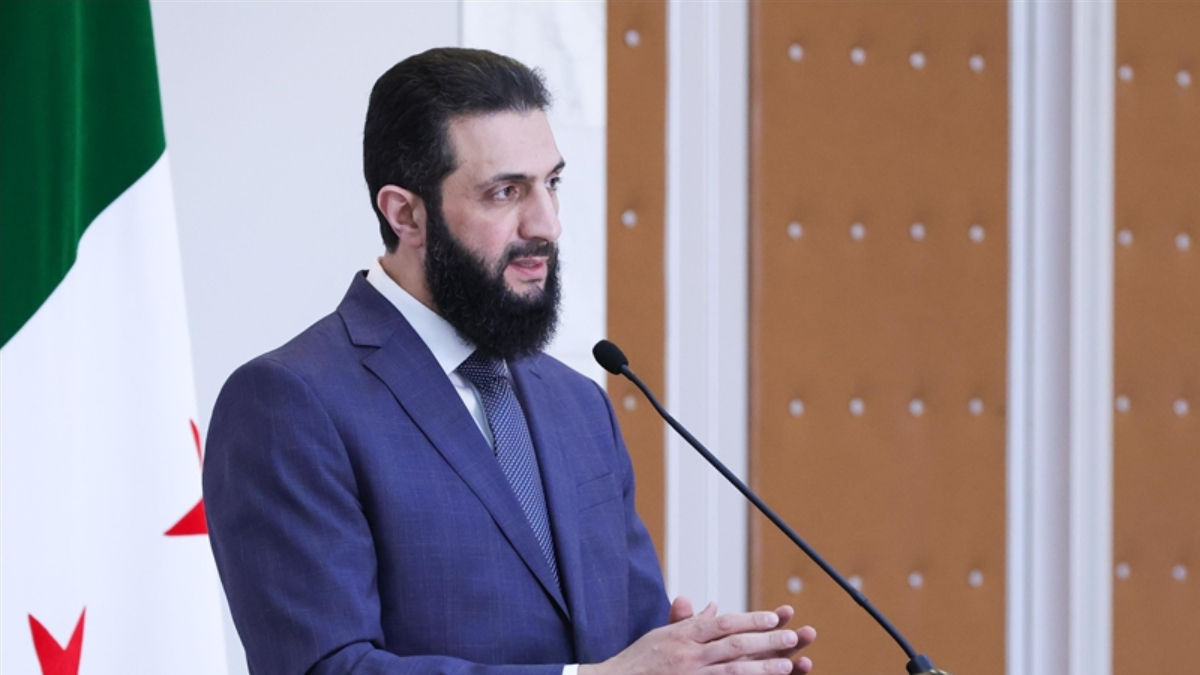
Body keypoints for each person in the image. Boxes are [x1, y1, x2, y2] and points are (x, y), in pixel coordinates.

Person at [203, 47, 816, 675]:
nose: (547, 224)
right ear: (405, 213)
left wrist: (699, 662)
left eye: (552, 183)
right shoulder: (288, 402)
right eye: (505, 192)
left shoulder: (578, 402)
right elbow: (324, 668)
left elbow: (628, 652)